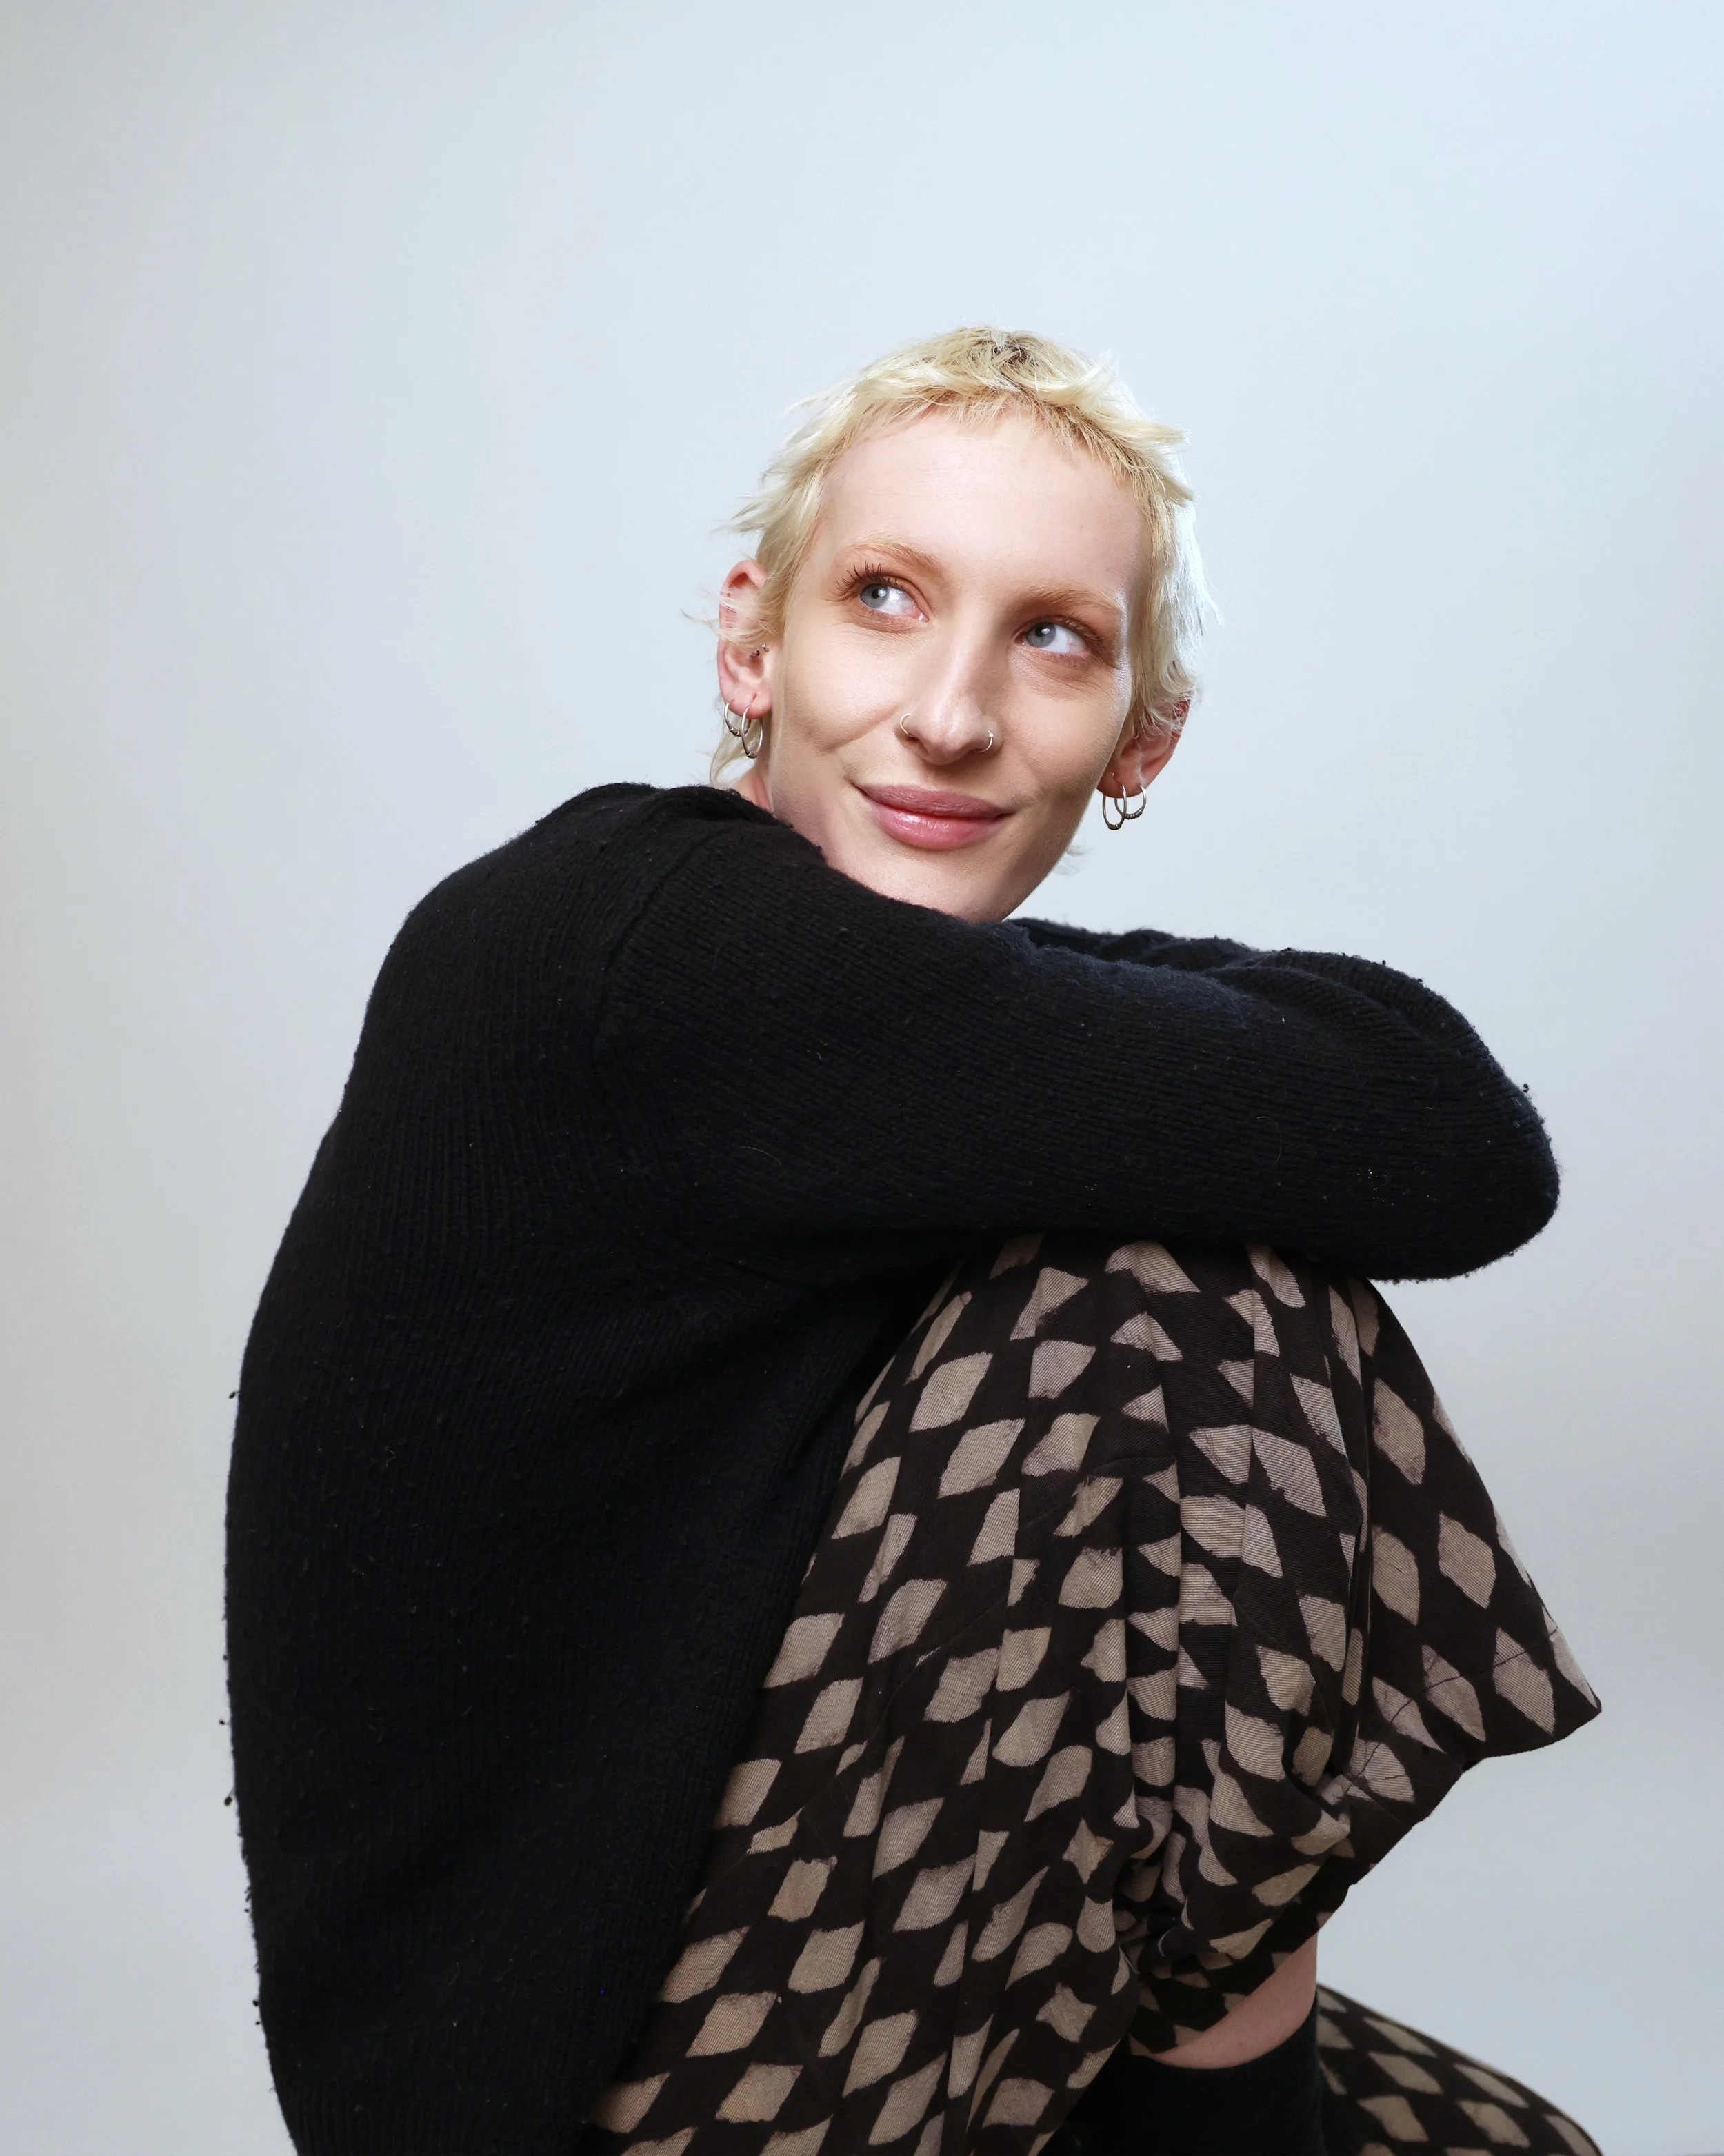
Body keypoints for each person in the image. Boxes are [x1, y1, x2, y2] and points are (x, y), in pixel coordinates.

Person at [228, 329, 1598, 2156]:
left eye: (1051, 636)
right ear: (751, 640)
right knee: (1189, 1304)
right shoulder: (627, 946)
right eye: (883, 598)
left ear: (1142, 735)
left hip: (818, 1937)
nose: (950, 711)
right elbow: (1419, 1140)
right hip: (581, 2092)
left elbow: (1433, 1120)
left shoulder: (876, 1026)